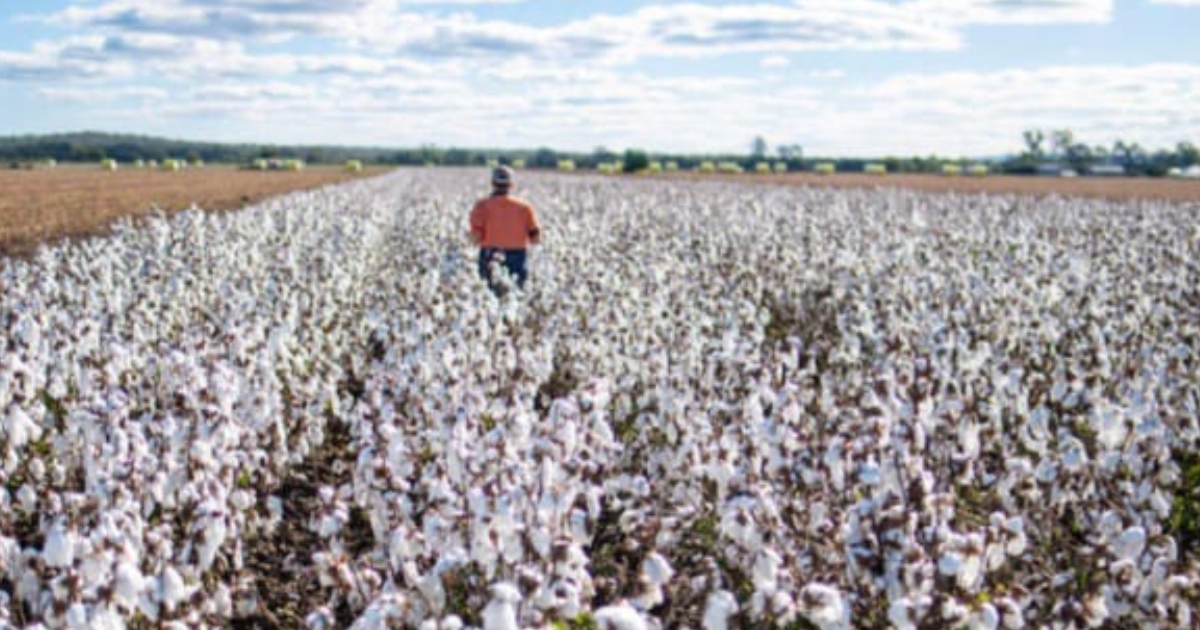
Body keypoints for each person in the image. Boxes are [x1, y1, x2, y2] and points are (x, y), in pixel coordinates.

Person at [470, 166, 541, 294]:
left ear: (492, 183)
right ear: (511, 185)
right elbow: (535, 237)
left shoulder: (481, 206)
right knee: (516, 293)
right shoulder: (524, 207)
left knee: (489, 293)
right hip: (517, 256)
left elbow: (476, 237)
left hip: (490, 254)